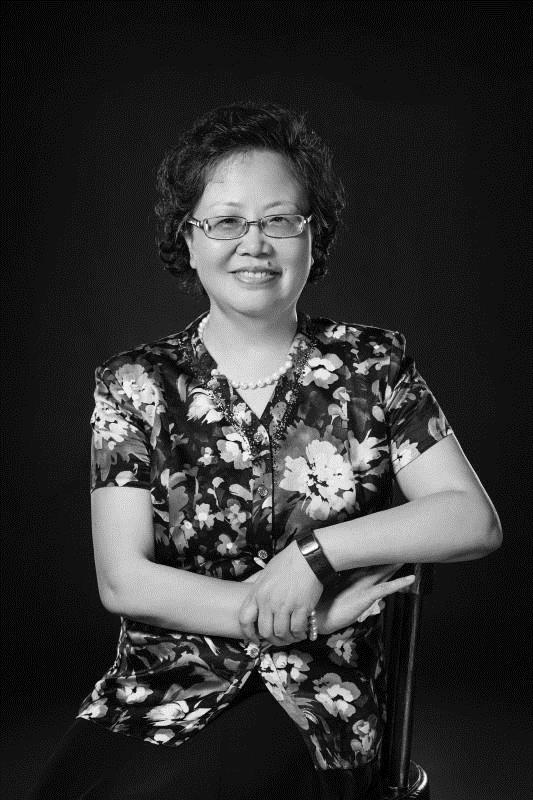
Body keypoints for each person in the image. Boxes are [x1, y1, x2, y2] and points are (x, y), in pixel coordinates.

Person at [28, 101, 502, 800]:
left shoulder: (372, 366)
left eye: (280, 220)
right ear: (188, 241)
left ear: (314, 236)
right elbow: (124, 581)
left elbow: (471, 520)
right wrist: (285, 610)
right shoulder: (132, 384)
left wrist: (313, 557)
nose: (254, 244)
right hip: (159, 685)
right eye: (226, 221)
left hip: (317, 692)